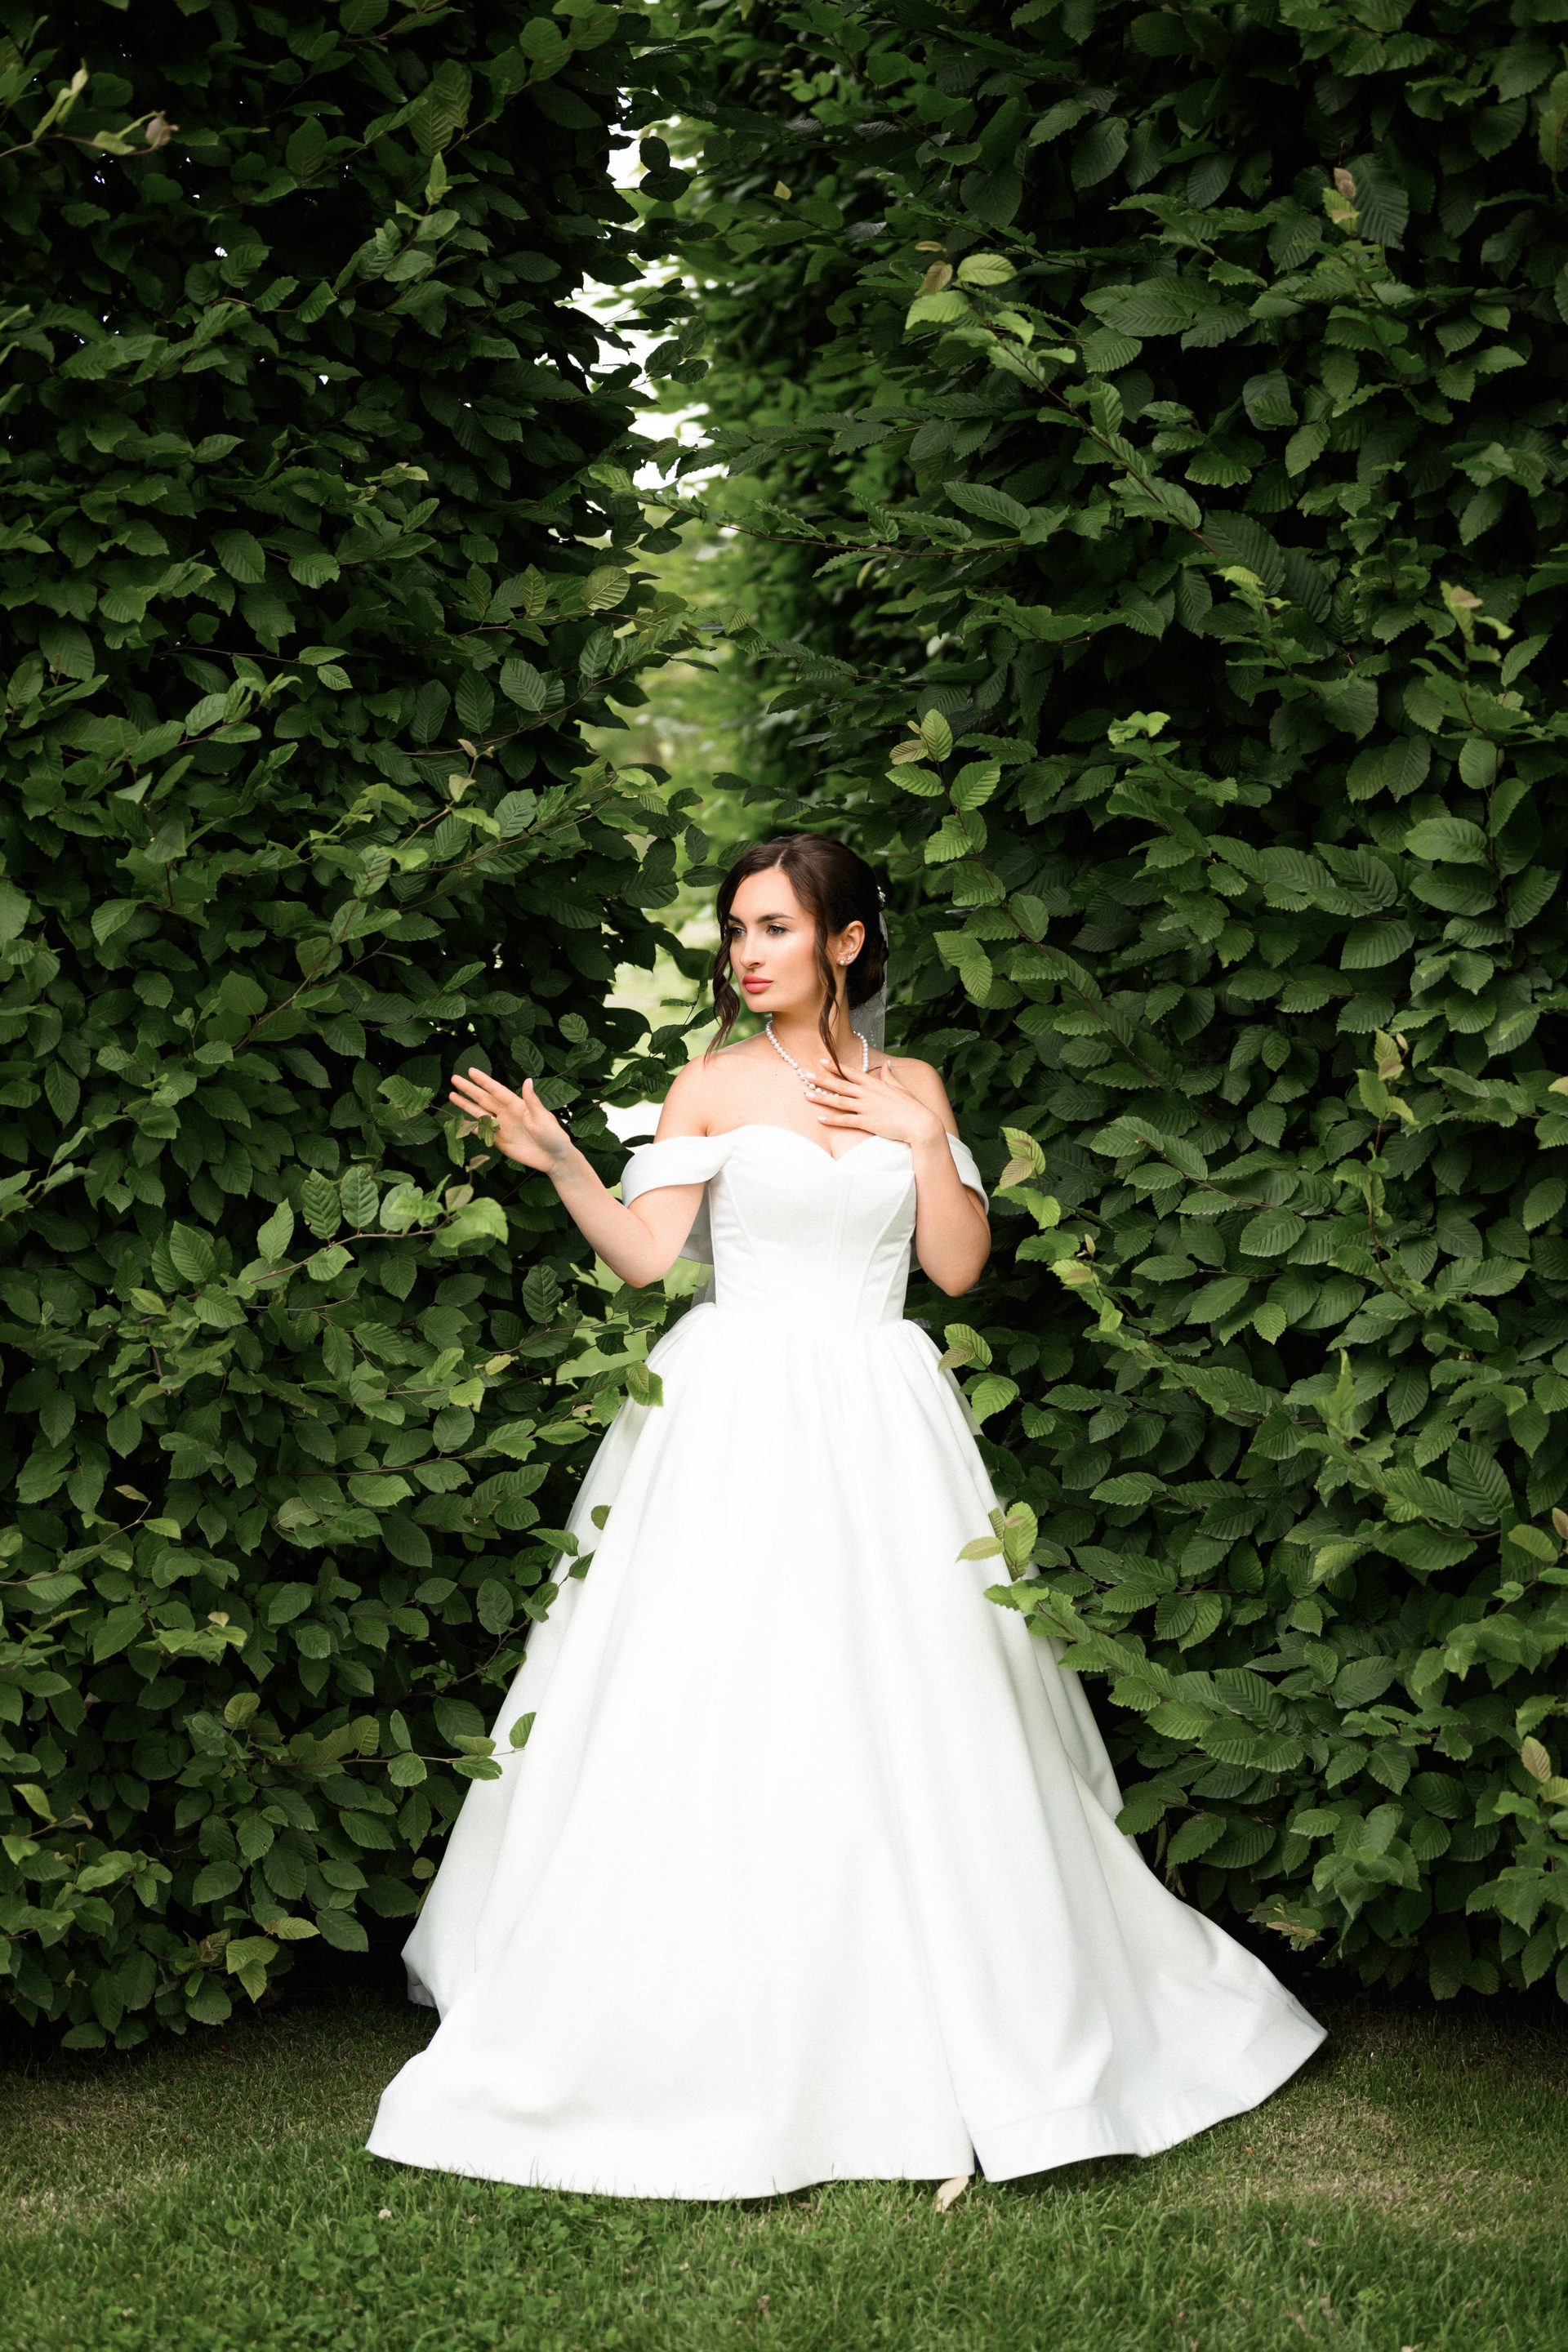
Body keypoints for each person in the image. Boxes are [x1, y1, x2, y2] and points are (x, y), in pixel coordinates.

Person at [368, 834, 1323, 2199]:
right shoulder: (710, 1080)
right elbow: (647, 1260)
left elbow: (958, 1266)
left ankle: (953, 2014)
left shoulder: (915, 1085)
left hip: (883, 1409)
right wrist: (563, 1161)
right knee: (719, 1692)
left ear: (847, 941)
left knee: (919, 1699)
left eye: (774, 926)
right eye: (735, 929)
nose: (746, 952)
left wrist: (923, 1139)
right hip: (731, 1409)